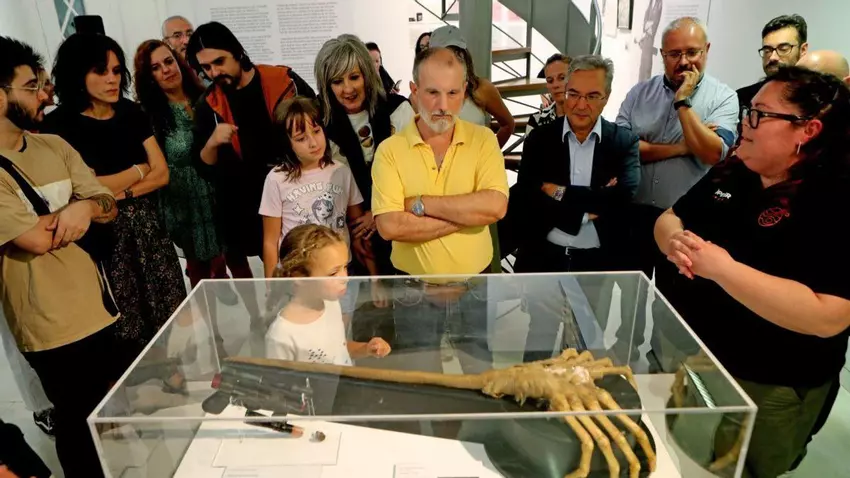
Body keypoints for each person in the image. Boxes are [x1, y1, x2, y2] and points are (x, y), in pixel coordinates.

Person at [654, 66, 850, 478]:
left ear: (807, 129)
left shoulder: (835, 197)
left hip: (771, 378)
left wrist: (724, 270)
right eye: (749, 111)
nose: (746, 122)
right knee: (683, 454)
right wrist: (675, 242)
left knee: (747, 467)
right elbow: (671, 217)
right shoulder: (737, 169)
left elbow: (829, 315)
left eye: (760, 114)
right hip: (702, 358)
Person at [0, 35, 124, 478]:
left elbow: (106, 202)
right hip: (47, 323)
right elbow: (33, 239)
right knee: (77, 423)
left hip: (97, 306)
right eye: (30, 86)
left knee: (108, 417)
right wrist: (79, 207)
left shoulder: (55, 146)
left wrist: (84, 208)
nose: (42, 94)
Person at [42, 33, 186, 356]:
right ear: (78, 73)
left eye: (117, 71)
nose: (112, 79)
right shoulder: (58, 126)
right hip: (102, 235)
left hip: (148, 229)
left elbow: (161, 173)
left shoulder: (131, 113)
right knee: (124, 325)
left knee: (170, 312)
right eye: (101, 71)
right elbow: (81, 189)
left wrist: (114, 193)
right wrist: (138, 170)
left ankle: (174, 373)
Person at [372, 47, 509, 374]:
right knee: (422, 380)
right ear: (414, 90)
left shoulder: (484, 141)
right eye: (432, 92)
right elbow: (390, 227)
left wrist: (421, 204)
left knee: (481, 377)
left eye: (452, 93)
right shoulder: (390, 151)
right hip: (413, 291)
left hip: (474, 287)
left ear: (464, 92)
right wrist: (467, 216)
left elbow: (496, 207)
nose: (443, 105)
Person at [511, 55, 640, 363]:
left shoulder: (623, 142)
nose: (581, 105)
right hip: (545, 258)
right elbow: (527, 197)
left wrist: (558, 192)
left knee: (585, 346)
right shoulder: (540, 139)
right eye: (574, 94)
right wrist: (587, 209)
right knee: (539, 344)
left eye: (592, 96)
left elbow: (622, 198)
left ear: (606, 97)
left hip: (596, 262)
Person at [187, 21, 316, 329]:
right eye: (206, 67)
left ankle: (307, 318)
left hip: (293, 193)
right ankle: (273, 320)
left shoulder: (281, 80)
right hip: (243, 203)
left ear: (236, 52)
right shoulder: (209, 105)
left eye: (219, 61)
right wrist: (213, 142)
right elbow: (203, 165)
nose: (214, 72)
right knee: (265, 265)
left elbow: (316, 122)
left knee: (301, 259)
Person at [260, 97, 387, 315]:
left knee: (339, 330)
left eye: (316, 131)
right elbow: (270, 242)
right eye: (301, 138)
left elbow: (358, 231)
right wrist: (273, 288)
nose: (313, 142)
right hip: (299, 279)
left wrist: (375, 279)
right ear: (287, 142)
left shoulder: (341, 171)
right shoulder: (276, 179)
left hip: (340, 273)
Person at [133, 40, 235, 294]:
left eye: (169, 62)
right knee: (199, 270)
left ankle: (242, 303)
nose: (166, 70)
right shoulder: (150, 116)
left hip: (218, 191)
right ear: (149, 77)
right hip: (184, 202)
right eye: (156, 67)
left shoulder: (207, 98)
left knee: (231, 257)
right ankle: (209, 317)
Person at [315, 34, 415, 276]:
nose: (347, 89)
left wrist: (378, 213)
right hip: (349, 235)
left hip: (401, 224)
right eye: (337, 81)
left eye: (354, 77)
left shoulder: (398, 110)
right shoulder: (319, 124)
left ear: (368, 75)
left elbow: (415, 173)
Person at [265, 224, 391, 365]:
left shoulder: (331, 304)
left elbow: (338, 348)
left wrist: (366, 349)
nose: (345, 278)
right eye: (333, 273)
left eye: (345, 267)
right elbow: (279, 378)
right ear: (299, 277)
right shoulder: (281, 336)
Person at [427, 25, 515, 147]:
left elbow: (508, 124)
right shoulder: (425, 92)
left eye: (457, 53)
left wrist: (490, 154)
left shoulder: (481, 89)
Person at [737, 15, 808, 113]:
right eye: (767, 50)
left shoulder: (818, 98)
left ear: (803, 50)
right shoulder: (742, 99)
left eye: (783, 49)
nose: (772, 57)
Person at [527, 53, 571, 134]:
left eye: (562, 78)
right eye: (550, 81)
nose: (555, 85)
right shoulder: (536, 120)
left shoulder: (586, 116)